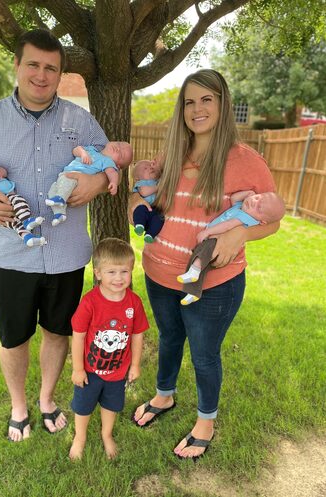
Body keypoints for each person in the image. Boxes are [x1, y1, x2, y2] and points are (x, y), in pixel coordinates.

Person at [0, 28, 123, 442]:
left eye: (51, 68)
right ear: (17, 65)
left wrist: (95, 186)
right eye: (33, 65)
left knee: (58, 332)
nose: (42, 75)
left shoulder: (80, 121)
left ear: (60, 73)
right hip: (11, 256)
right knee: (13, 337)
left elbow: (109, 163)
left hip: (66, 253)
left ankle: (46, 399)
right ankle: (18, 406)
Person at [129, 69, 280, 461]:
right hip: (159, 273)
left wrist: (239, 235)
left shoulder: (245, 160)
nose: (197, 109)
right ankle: (164, 396)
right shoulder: (171, 156)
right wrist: (136, 204)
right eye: (190, 101)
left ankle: (205, 422)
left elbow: (272, 219)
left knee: (204, 354)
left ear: (223, 103)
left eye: (207, 99)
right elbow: (147, 197)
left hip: (212, 283)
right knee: (169, 338)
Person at [69, 238, 149, 460]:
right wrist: (77, 369)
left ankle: (107, 434)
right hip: (90, 371)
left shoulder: (134, 303)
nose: (118, 278)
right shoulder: (90, 302)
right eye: (111, 272)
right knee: (83, 407)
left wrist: (134, 365)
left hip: (117, 372)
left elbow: (137, 334)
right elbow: (78, 336)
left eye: (124, 271)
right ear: (98, 273)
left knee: (111, 405)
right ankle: (80, 436)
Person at [178, 190, 286, 304]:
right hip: (213, 240)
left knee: (200, 253)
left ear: (262, 222)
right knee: (202, 270)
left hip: (217, 241)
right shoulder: (241, 207)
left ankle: (194, 270)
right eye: (258, 198)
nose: (254, 202)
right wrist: (248, 194)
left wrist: (207, 232)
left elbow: (227, 226)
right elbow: (234, 198)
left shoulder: (246, 218)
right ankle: (193, 293)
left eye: (259, 208)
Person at [46, 142, 133, 226]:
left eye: (121, 154)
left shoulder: (107, 162)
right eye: (119, 144)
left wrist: (113, 183)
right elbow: (76, 150)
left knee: (65, 184)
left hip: (75, 177)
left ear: (117, 165)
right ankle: (59, 214)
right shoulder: (92, 149)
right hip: (64, 174)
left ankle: (60, 199)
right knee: (53, 190)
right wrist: (83, 153)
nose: (118, 148)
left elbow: (113, 173)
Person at [132, 158, 164, 243]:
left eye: (150, 166)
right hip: (145, 207)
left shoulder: (158, 181)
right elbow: (144, 192)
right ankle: (139, 225)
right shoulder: (141, 183)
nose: (150, 168)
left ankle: (150, 234)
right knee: (139, 210)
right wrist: (159, 187)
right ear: (138, 178)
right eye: (145, 168)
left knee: (159, 218)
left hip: (155, 209)